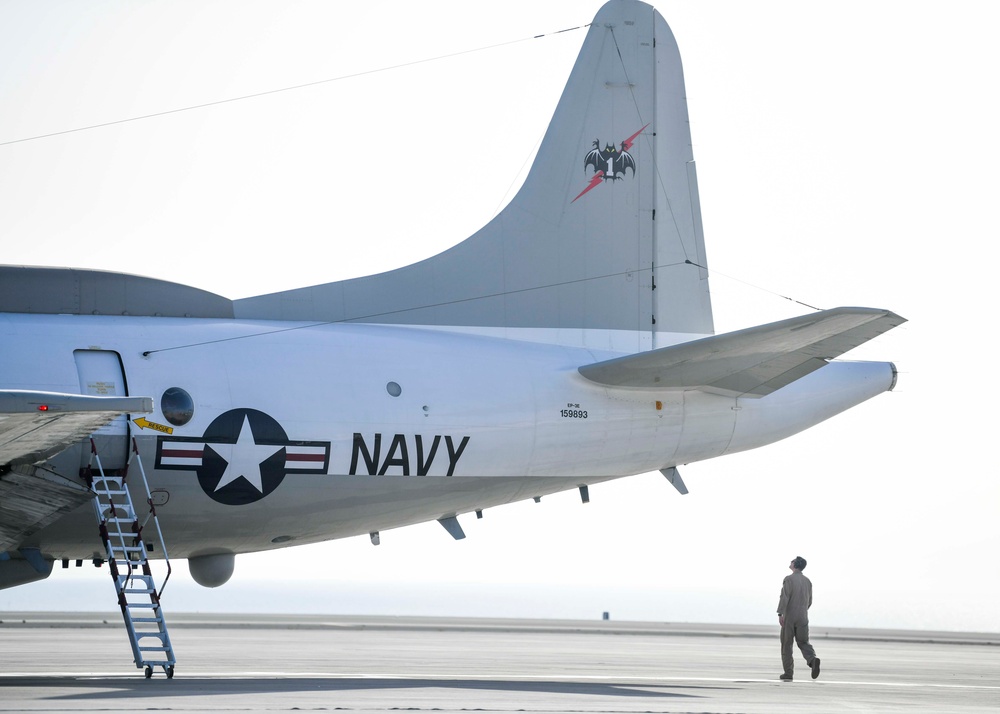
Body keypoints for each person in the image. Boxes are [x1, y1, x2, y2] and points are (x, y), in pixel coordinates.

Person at [776, 556, 820, 681]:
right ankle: (812, 660)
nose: (790, 562)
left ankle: (788, 672)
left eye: (792, 561)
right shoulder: (807, 581)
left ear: (795, 564)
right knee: (803, 642)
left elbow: (784, 597)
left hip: (790, 616)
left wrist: (780, 613)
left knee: (787, 644)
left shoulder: (789, 579)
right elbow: (809, 600)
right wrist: (802, 611)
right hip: (803, 615)